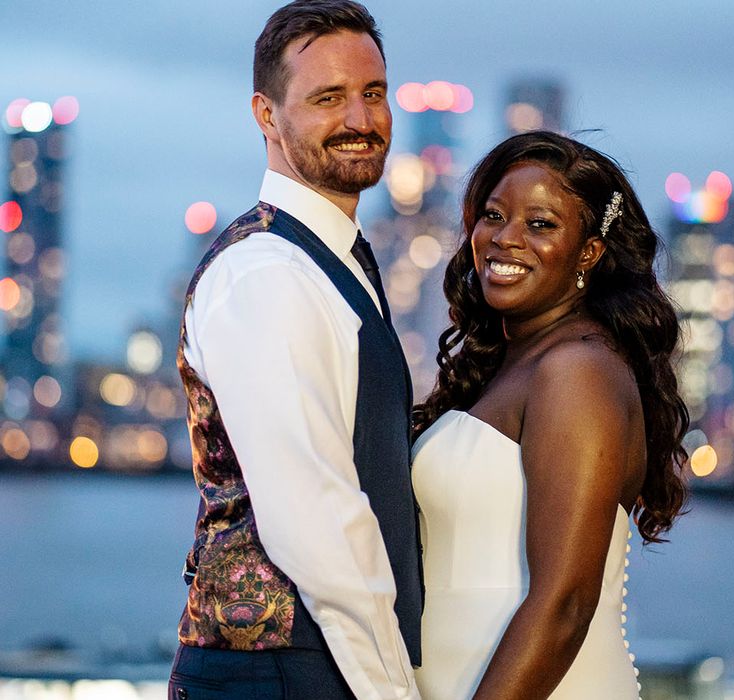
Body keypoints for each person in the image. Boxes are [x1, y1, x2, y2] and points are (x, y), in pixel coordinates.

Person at [168, 2, 423, 698]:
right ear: (266, 114)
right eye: (328, 98)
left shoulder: (330, 262)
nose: (361, 120)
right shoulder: (267, 274)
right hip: (279, 673)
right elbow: (317, 524)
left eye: (373, 93)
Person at [410, 131, 689, 699]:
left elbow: (564, 603)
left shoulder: (576, 372)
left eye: (540, 225)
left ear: (589, 252)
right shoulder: (513, 363)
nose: (505, 239)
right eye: (494, 214)